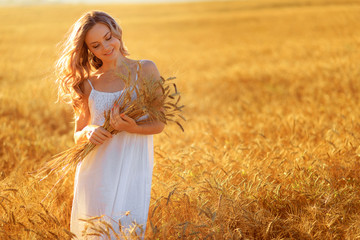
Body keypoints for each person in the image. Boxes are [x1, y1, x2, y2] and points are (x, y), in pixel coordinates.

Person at [55, 10, 165, 239]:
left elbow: (159, 123)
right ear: (88, 50)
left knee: (127, 230)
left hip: (132, 167)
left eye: (108, 37)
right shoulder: (87, 84)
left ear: (117, 32)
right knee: (94, 232)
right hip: (95, 170)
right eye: (95, 45)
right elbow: (78, 134)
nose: (106, 47)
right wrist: (88, 131)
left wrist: (132, 127)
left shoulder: (145, 70)